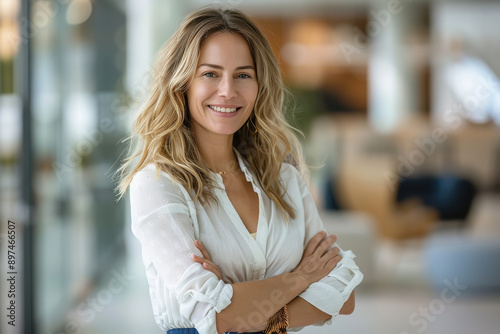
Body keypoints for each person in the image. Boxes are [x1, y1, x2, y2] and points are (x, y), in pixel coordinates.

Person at [116, 6, 363, 334]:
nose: (228, 90)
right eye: (210, 73)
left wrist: (243, 302)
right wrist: (301, 278)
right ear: (182, 81)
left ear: (260, 85)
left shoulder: (283, 176)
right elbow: (216, 316)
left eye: (243, 75)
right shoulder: (157, 183)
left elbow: (344, 294)